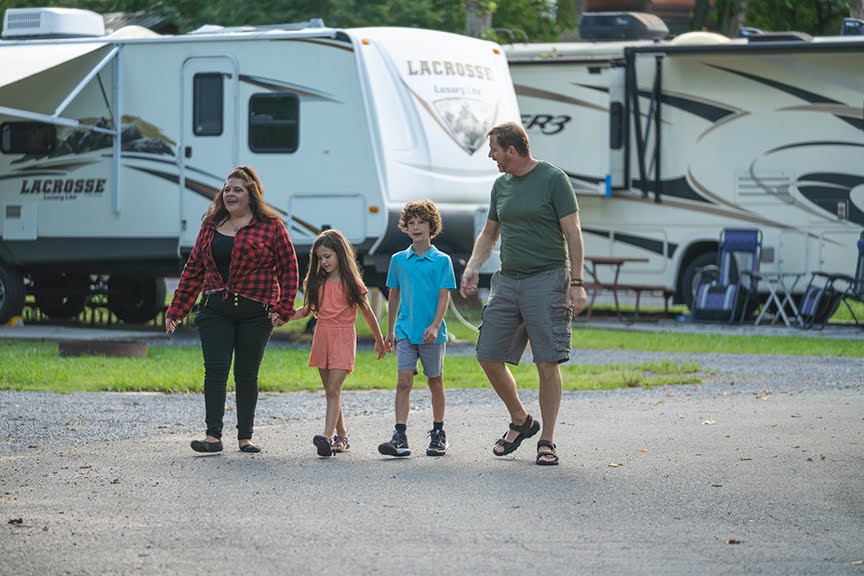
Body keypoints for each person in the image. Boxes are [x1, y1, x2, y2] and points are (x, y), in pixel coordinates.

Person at [459, 122, 588, 466]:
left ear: (512, 151)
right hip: (508, 281)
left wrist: (577, 282)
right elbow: (489, 234)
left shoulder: (553, 179)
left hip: (547, 279)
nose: (491, 156)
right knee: (488, 353)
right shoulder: (500, 186)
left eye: (495, 150)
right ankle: (521, 420)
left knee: (546, 361)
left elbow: (572, 232)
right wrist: (473, 267)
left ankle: (547, 440)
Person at [166, 166, 298, 454]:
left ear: (251, 194)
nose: (230, 194)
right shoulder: (210, 226)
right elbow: (193, 270)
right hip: (215, 310)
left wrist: (284, 307)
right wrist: (176, 309)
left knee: (246, 374)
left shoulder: (271, 227)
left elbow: (289, 268)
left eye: (237, 189)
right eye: (227, 189)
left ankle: (245, 438)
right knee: (215, 371)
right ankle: (213, 437)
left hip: (256, 313)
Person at [290, 229, 386, 458]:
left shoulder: (351, 282)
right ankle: (341, 436)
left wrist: (379, 340)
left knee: (334, 389)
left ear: (340, 254)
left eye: (327, 256)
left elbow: (368, 312)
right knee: (331, 390)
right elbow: (306, 310)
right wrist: (283, 317)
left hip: (343, 337)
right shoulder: (315, 282)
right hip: (322, 336)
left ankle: (326, 436)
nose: (323, 262)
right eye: (320, 258)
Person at [378, 200, 457, 458]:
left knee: (435, 381)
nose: (416, 227)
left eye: (421, 222)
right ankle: (399, 435)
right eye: (411, 223)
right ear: (405, 227)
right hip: (405, 331)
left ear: (431, 226)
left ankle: (438, 432)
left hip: (432, 333)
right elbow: (394, 295)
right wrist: (390, 331)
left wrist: (435, 326)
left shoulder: (442, 261)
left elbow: (444, 297)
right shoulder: (399, 260)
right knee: (403, 381)